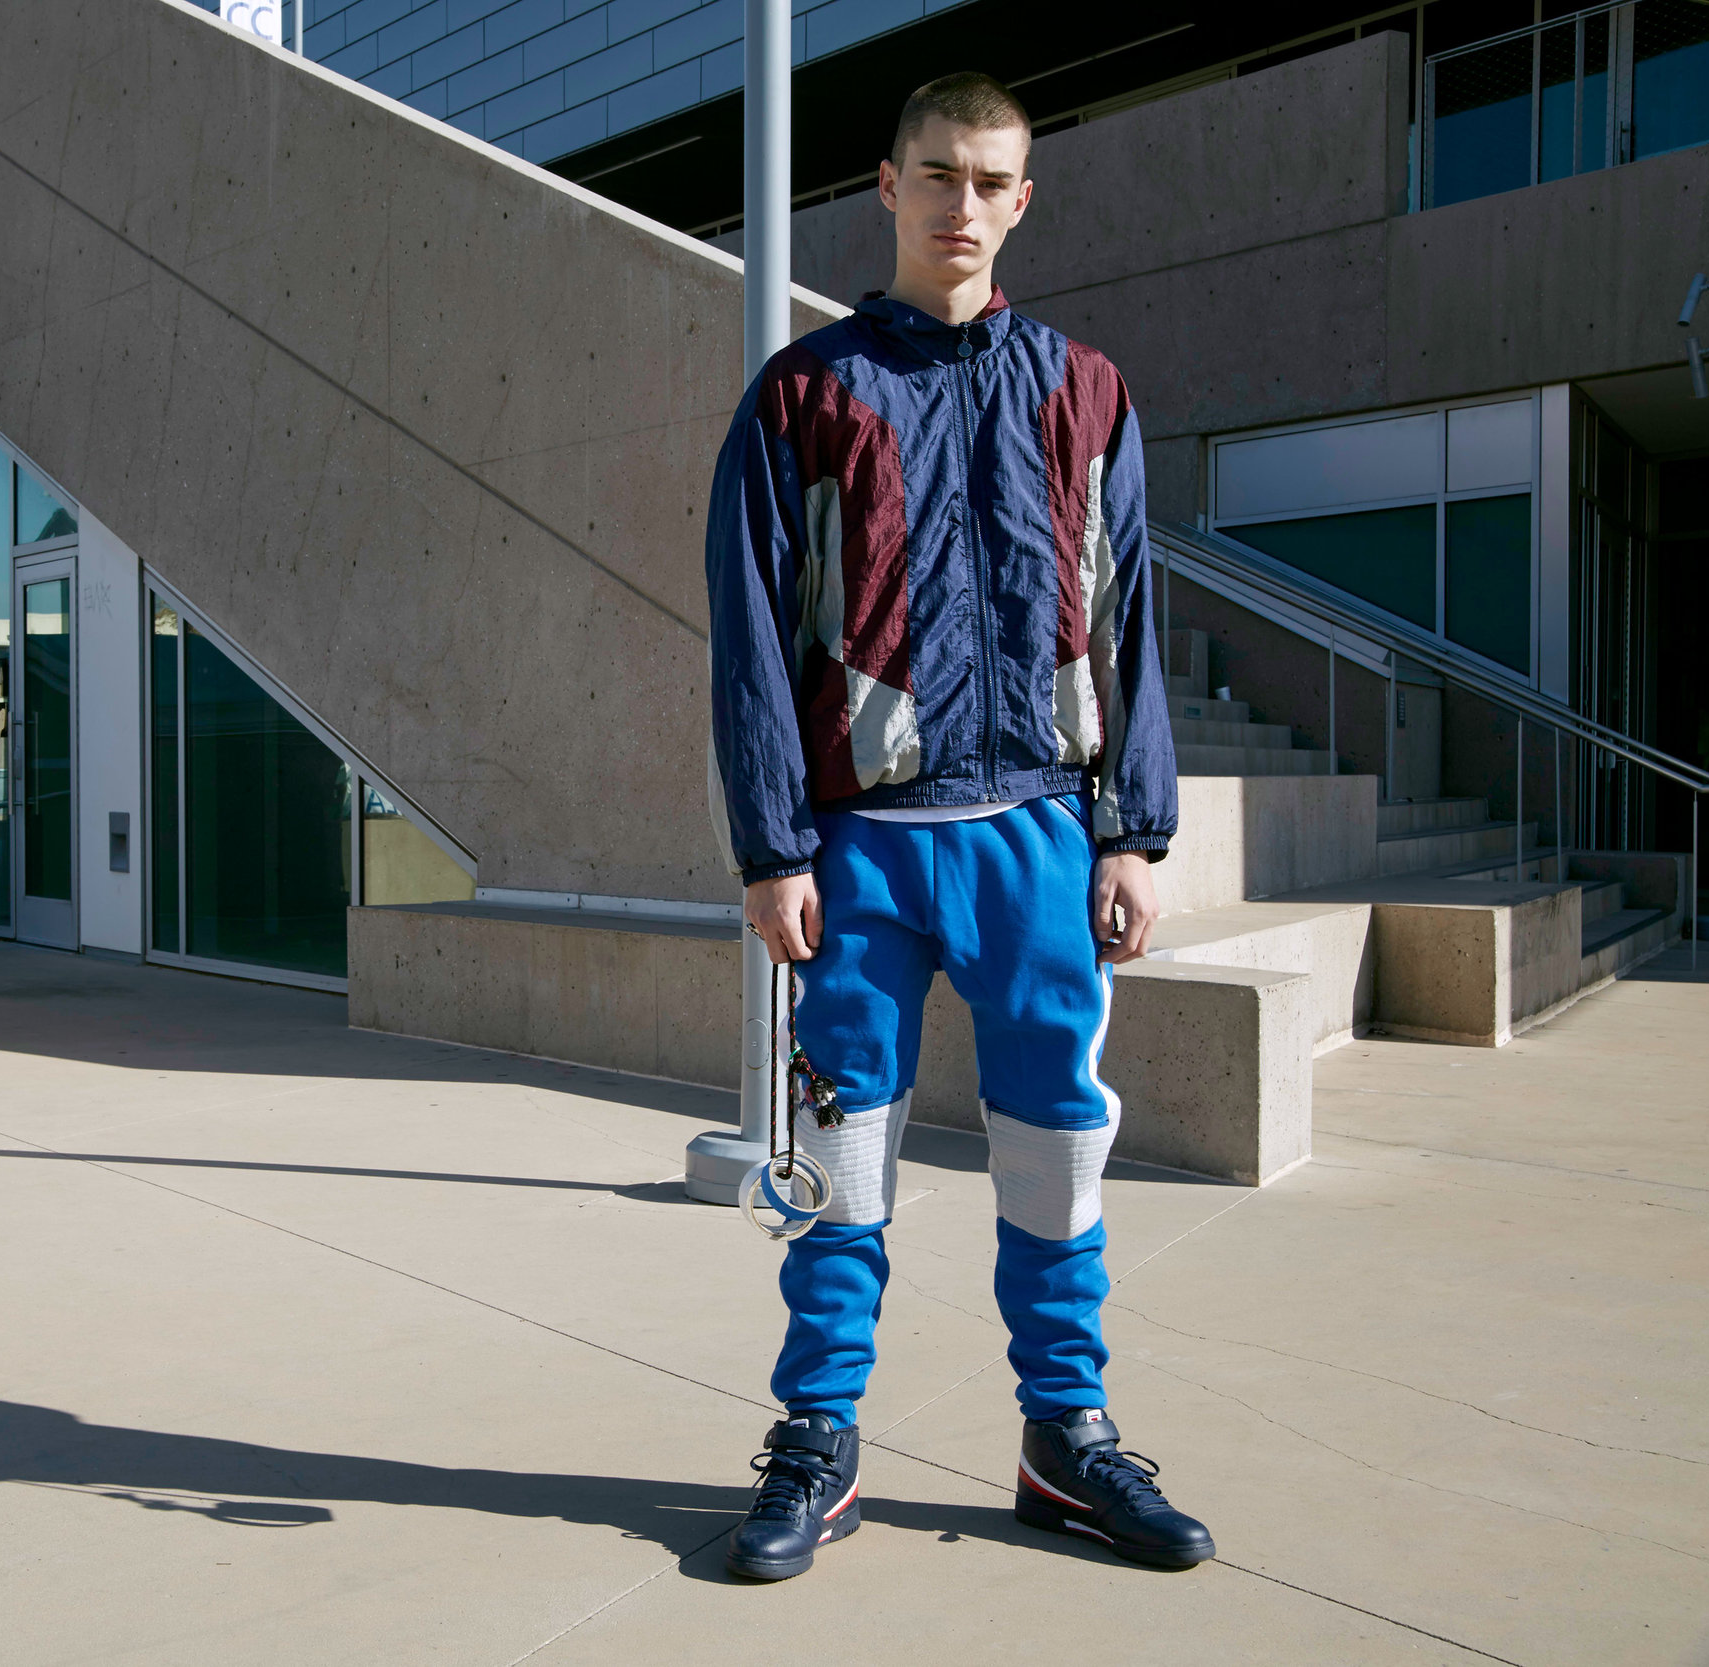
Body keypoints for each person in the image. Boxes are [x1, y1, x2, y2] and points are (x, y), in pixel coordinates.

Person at [702, 70, 1214, 1582]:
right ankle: (818, 1439)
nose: (964, 206)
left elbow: (1129, 618)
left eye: (992, 183)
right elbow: (746, 638)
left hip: (1043, 839)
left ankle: (1068, 1438)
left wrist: (1136, 832)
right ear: (887, 185)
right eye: (939, 176)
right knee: (843, 1164)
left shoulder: (1088, 390)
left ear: (1023, 200)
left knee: (1057, 1154)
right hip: (861, 846)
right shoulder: (805, 395)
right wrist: (771, 847)